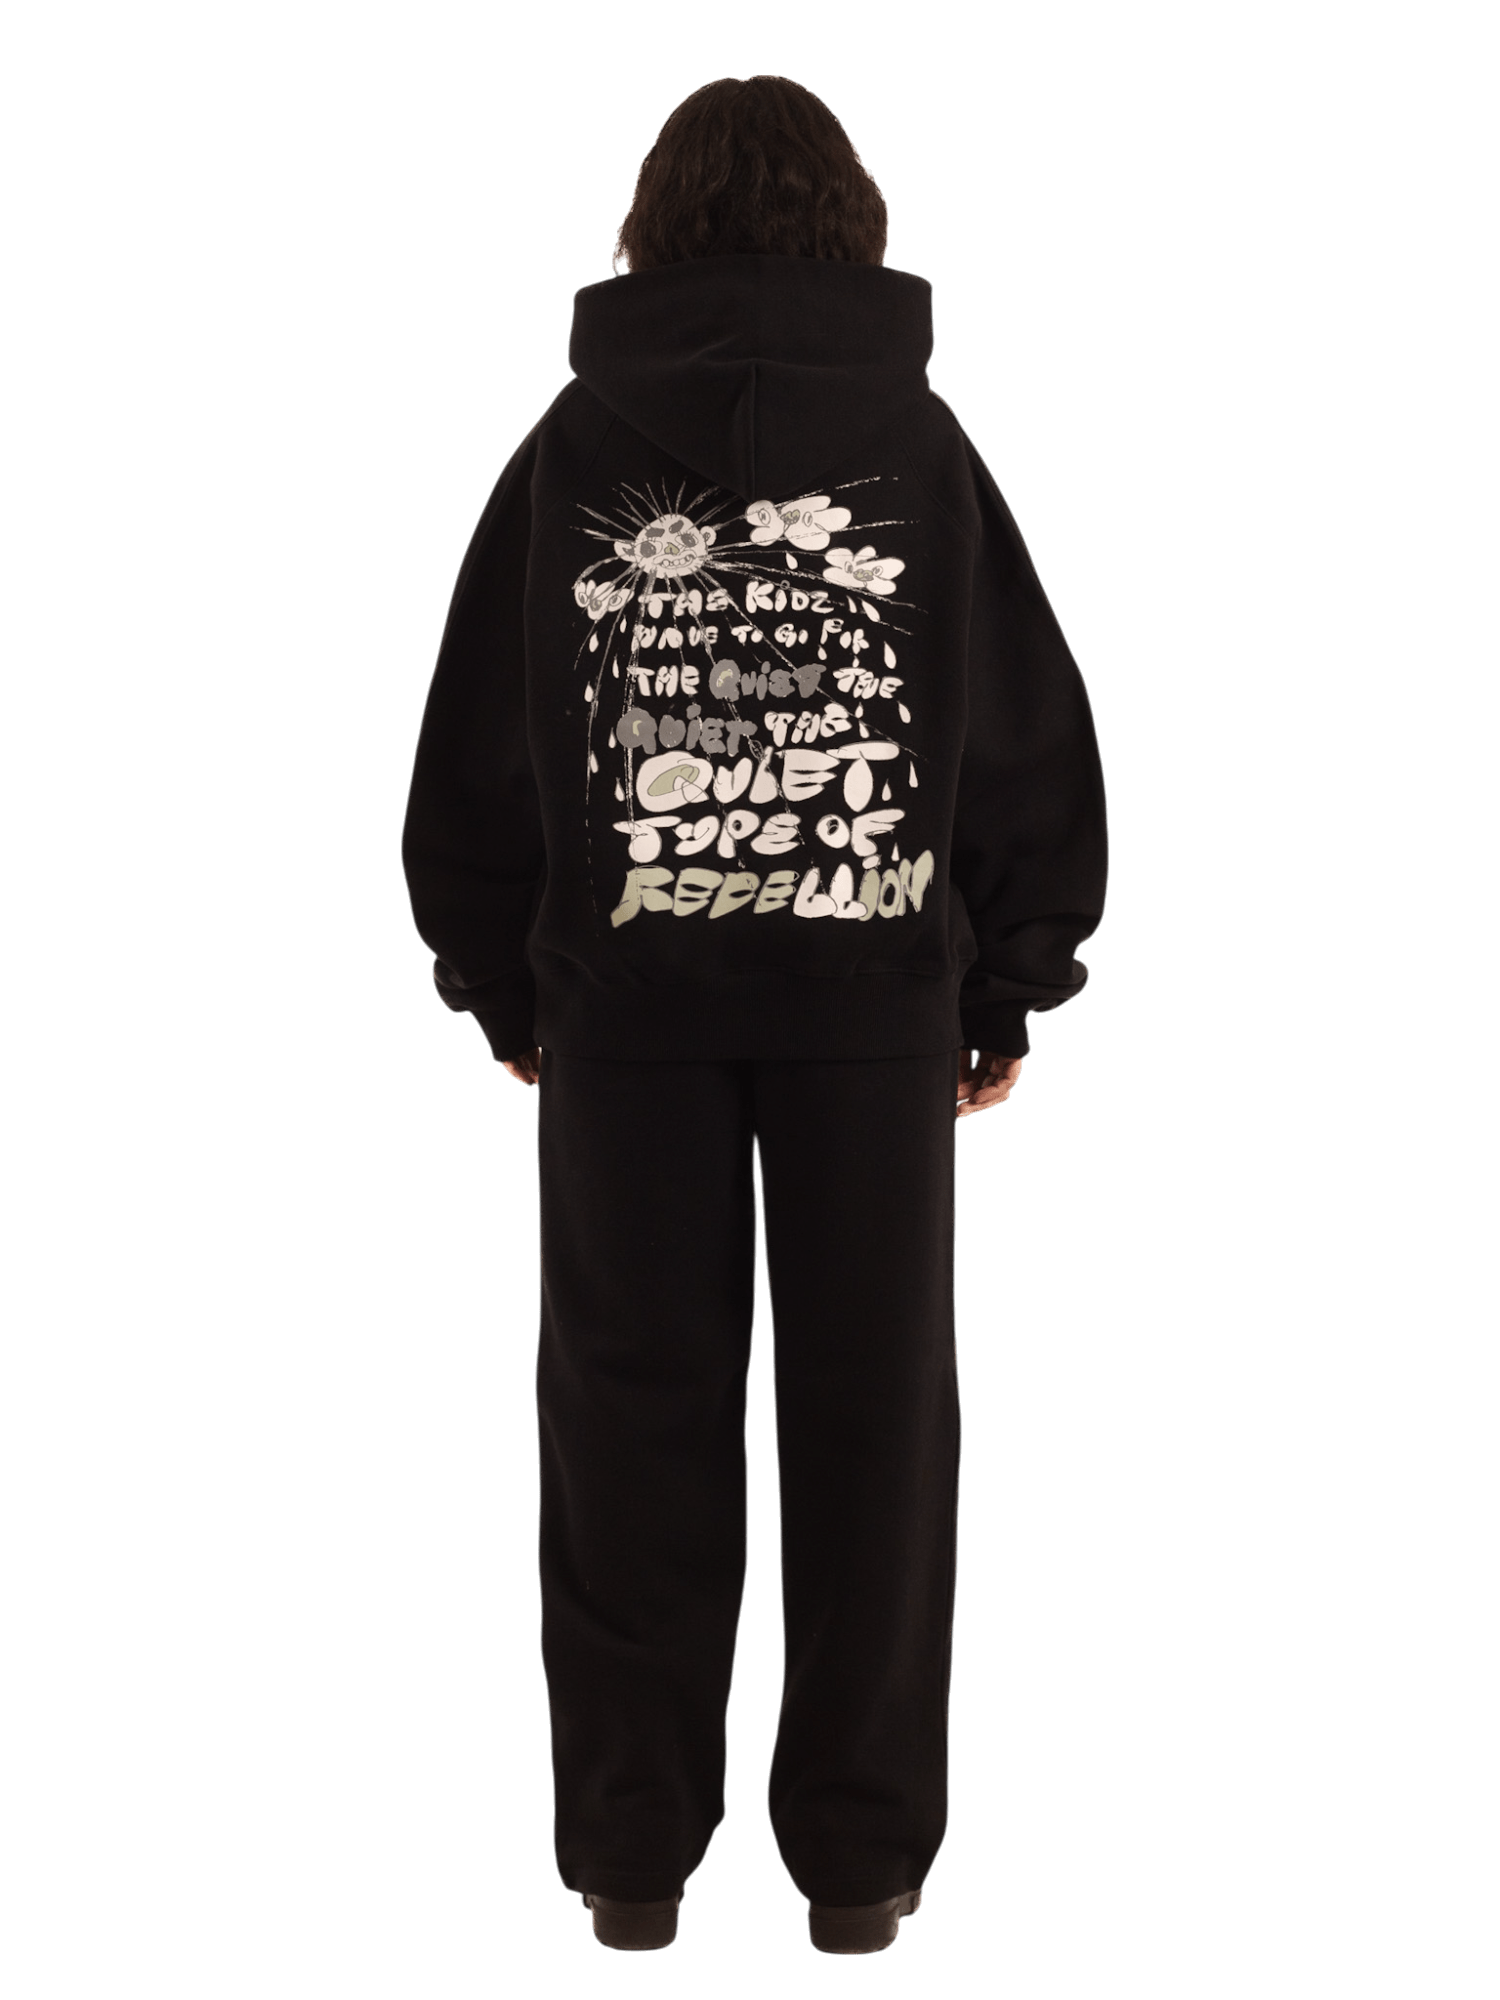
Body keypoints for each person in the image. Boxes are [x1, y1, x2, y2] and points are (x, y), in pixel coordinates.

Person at [400, 74, 1108, 1957]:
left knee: (622, 1424)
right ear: (851, 216)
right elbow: (1022, 718)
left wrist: (496, 978)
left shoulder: (568, 446)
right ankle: (861, 1870)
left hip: (622, 1014)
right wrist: (1010, 977)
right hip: (874, 1008)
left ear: (651, 219)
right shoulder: (926, 444)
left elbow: (476, 736)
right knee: (881, 1432)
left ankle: (632, 1862)